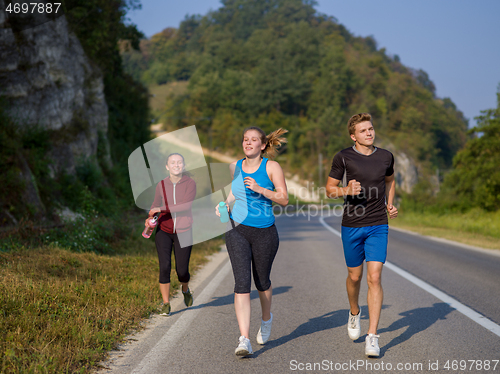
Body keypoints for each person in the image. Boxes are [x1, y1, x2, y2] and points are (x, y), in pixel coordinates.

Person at [325, 113, 398, 357]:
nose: (369, 133)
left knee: (374, 278)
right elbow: (329, 190)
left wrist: (389, 203)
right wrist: (345, 189)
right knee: (355, 278)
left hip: (378, 224)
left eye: (371, 128)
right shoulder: (344, 157)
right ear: (353, 136)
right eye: (363, 130)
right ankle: (354, 311)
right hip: (352, 224)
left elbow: (390, 181)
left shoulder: (386, 156)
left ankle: (372, 337)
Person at [216, 127, 288, 357]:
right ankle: (244, 339)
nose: (248, 143)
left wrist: (260, 189)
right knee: (241, 283)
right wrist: (225, 204)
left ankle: (266, 319)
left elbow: (284, 198)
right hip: (237, 229)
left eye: (253, 140)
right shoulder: (234, 166)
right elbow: (235, 193)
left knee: (262, 281)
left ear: (263, 145)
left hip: (265, 232)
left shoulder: (271, 167)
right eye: (245, 139)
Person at [146, 153, 197, 316]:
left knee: (182, 271)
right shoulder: (161, 185)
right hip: (164, 231)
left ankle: (185, 289)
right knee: (164, 267)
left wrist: (160, 209)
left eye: (179, 162)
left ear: (183, 165)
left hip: (184, 230)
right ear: (167, 167)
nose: (176, 165)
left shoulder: (190, 183)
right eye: (173, 163)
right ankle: (166, 303)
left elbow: (185, 205)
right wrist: (150, 219)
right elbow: (155, 205)